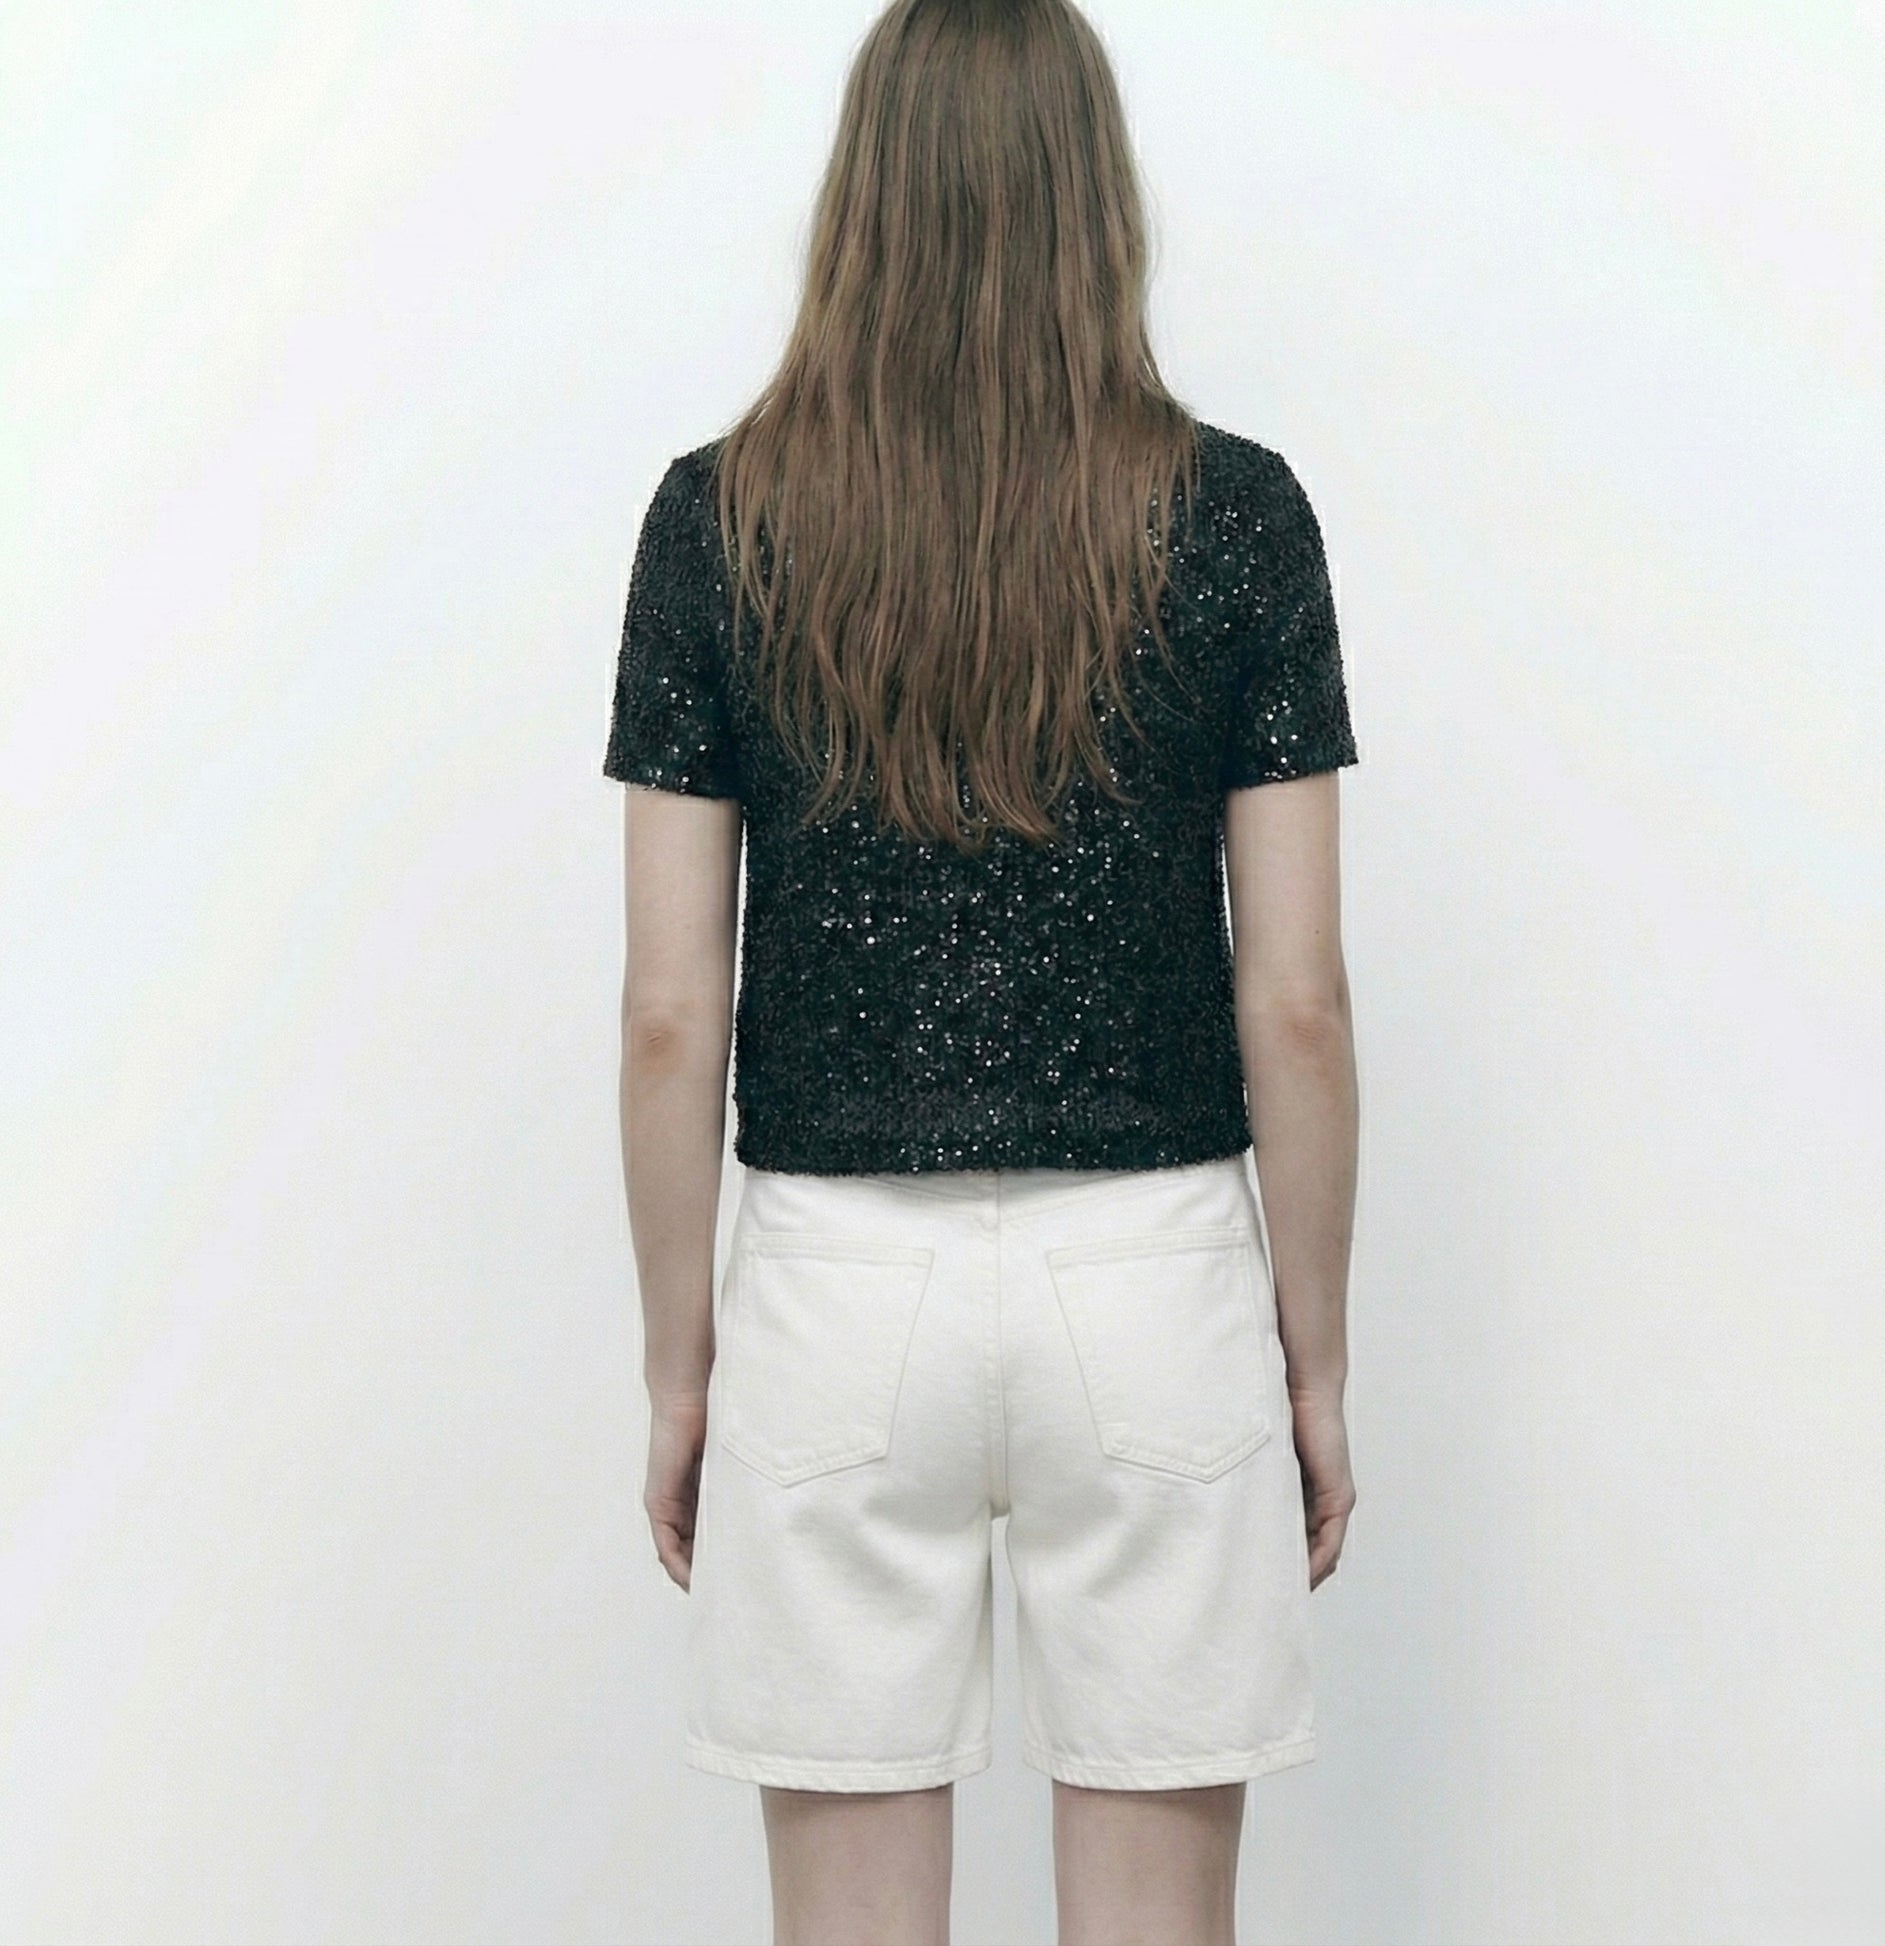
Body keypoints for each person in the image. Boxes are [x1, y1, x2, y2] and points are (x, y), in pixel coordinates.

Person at [603, 1, 1359, 1939]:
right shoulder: (1238, 515)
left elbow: (672, 1012)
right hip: (1152, 1273)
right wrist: (1314, 1359)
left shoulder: (719, 519)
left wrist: (681, 1366)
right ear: (1098, 201)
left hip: (836, 1286)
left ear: (863, 199)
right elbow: (1293, 1000)